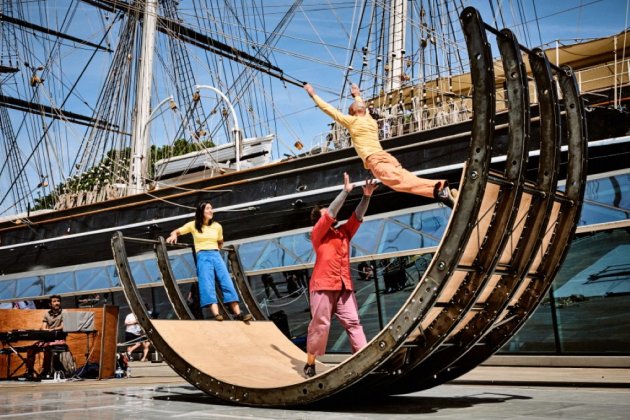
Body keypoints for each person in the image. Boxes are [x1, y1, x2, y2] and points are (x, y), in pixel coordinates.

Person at [304, 83, 457, 207]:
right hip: (386, 157)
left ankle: (438, 189)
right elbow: (360, 105)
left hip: (375, 160)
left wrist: (312, 94)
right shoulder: (370, 119)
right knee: (405, 179)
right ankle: (441, 193)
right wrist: (357, 94)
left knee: (400, 183)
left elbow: (329, 109)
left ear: (352, 112)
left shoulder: (352, 121)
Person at [304, 172, 376, 378]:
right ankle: (310, 363)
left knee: (354, 323)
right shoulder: (317, 234)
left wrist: (367, 196)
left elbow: (357, 216)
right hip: (323, 285)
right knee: (320, 325)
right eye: (327, 214)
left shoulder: (343, 233)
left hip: (344, 286)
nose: (332, 215)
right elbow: (332, 212)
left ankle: (363, 359)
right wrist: (345, 192)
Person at [166, 201, 253, 322]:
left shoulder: (217, 226)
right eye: (208, 208)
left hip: (216, 255)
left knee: (227, 282)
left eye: (211, 208)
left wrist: (217, 248)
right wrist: (174, 235)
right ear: (201, 211)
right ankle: (217, 315)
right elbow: (176, 231)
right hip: (202, 256)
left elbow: (220, 241)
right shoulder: (193, 225)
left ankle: (239, 314)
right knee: (207, 284)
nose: (211, 211)